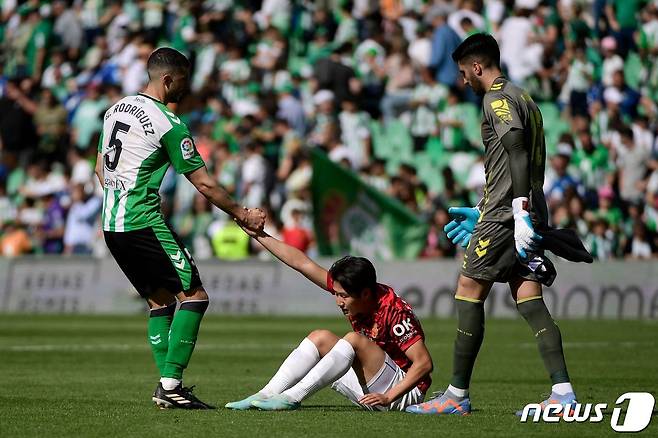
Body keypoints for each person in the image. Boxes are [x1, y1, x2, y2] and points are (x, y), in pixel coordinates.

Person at [407, 34, 577, 416]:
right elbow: (511, 157)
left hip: (508, 213)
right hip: (522, 207)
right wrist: (495, 208)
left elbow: (515, 146)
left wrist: (512, 211)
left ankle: (455, 396)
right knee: (528, 297)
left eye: (465, 72)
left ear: (478, 67)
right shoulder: (524, 97)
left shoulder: (496, 98)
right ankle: (563, 393)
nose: (464, 80)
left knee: (469, 288)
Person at [95, 47, 266, 409]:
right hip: (142, 221)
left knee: (159, 303)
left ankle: (168, 387)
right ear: (168, 79)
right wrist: (242, 213)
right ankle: (170, 384)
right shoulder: (168, 123)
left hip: (111, 224)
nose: (187, 89)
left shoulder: (114, 110)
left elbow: (100, 170)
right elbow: (203, 183)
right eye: (184, 81)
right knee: (194, 296)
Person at [225, 231, 433, 412]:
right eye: (336, 293)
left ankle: (291, 398)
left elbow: (423, 363)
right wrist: (259, 235)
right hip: (372, 389)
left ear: (366, 294)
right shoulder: (356, 291)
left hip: (402, 395)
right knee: (320, 337)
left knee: (354, 340)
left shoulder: (393, 311)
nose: (338, 302)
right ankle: (265, 394)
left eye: (343, 296)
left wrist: (389, 396)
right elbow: (302, 263)